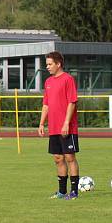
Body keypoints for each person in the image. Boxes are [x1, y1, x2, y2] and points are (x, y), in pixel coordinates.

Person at [38, 51, 80, 201]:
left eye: (50, 64)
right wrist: (42, 123)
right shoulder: (48, 82)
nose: (47, 67)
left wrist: (66, 123)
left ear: (58, 64)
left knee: (70, 157)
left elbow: (72, 102)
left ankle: (74, 192)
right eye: (47, 64)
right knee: (58, 158)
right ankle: (62, 192)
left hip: (66, 126)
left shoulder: (68, 79)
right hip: (53, 126)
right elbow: (46, 104)